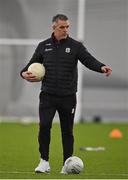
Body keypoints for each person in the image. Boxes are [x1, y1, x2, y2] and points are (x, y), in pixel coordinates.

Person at [20, 14, 112, 174]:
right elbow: (28, 67)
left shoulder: (76, 46)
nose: (66, 30)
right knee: (44, 126)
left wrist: (101, 67)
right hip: (47, 95)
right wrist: (24, 75)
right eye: (62, 27)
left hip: (68, 96)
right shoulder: (43, 46)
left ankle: (67, 164)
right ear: (54, 27)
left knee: (67, 131)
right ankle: (44, 162)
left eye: (67, 26)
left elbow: (88, 60)